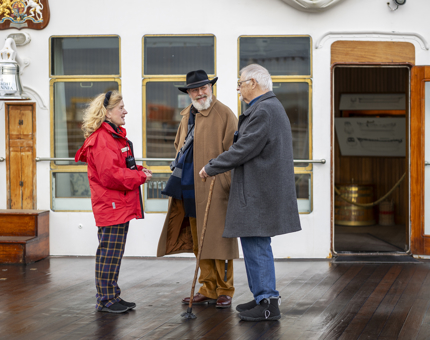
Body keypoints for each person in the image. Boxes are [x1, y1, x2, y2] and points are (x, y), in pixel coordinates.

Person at [199, 64, 302, 321]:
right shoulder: (267, 108)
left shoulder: (264, 110)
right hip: (260, 192)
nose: (238, 87)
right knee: (256, 245)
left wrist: (211, 167)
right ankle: (262, 297)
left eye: (241, 82)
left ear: (253, 83)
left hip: (258, 194)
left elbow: (243, 149)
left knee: (257, 246)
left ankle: (267, 302)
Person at [157, 70, 239, 308]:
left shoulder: (225, 114)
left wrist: (225, 183)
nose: (200, 92)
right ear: (189, 93)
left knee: (219, 242)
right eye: (195, 89)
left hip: (215, 189)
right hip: (189, 188)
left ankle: (225, 290)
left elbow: (233, 153)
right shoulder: (187, 116)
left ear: (210, 88)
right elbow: (179, 146)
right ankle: (207, 287)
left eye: (204, 87)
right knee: (199, 241)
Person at [75, 90, 152, 314]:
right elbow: (109, 176)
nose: (125, 111)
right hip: (112, 206)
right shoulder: (102, 139)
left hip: (116, 205)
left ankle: (111, 296)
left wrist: (138, 170)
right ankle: (105, 300)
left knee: (113, 252)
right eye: (121, 108)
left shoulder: (112, 136)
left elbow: (118, 167)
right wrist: (139, 177)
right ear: (107, 113)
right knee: (109, 252)